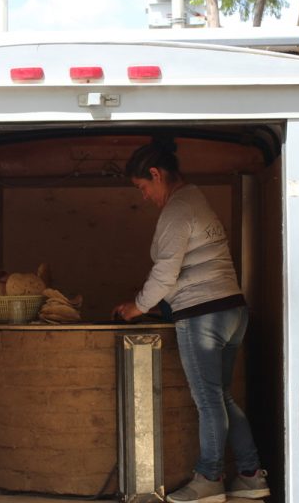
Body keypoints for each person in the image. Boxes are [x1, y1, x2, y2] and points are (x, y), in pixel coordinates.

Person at [113, 141, 269, 503]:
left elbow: (166, 273)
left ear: (156, 174)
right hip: (232, 311)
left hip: (202, 316)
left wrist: (137, 307)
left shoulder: (177, 209)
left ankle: (209, 479)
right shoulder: (197, 199)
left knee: (208, 401)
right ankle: (249, 475)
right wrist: (149, 304)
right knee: (221, 397)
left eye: (143, 187)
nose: (146, 196)